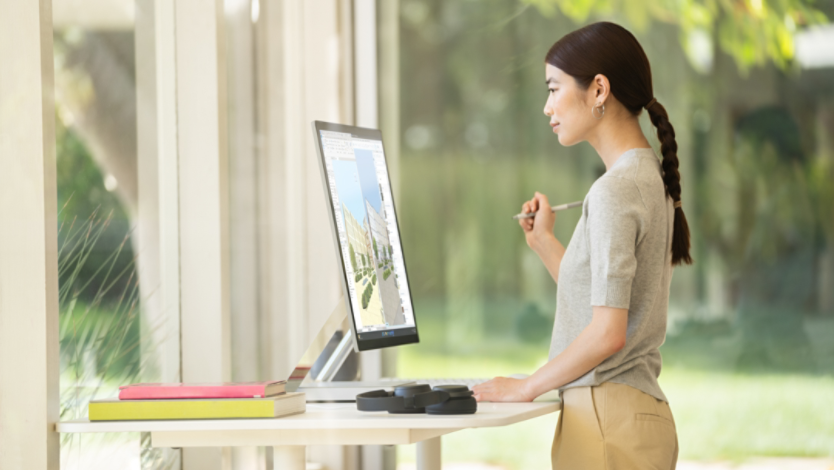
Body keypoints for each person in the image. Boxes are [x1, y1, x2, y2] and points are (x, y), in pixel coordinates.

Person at [472, 21, 693, 470]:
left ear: (598, 90)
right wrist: (544, 243)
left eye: (554, 89)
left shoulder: (615, 190)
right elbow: (607, 299)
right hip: (631, 420)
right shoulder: (646, 177)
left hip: (606, 422)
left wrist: (526, 385)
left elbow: (608, 332)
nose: (546, 106)